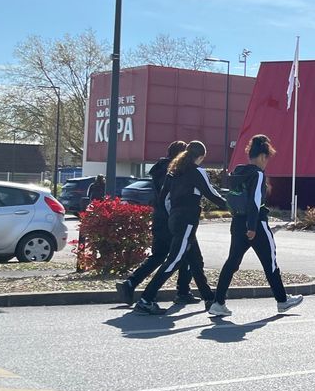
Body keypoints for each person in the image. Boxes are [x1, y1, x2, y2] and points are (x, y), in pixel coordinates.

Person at [209, 134, 302, 317]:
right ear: (262, 156)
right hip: (256, 224)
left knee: (232, 262)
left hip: (237, 222)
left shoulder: (238, 172)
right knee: (270, 262)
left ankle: (218, 303)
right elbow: (255, 201)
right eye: (267, 158)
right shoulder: (258, 174)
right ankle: (282, 301)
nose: (267, 163)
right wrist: (252, 227)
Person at [133, 141, 227, 316]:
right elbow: (211, 193)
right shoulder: (197, 171)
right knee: (175, 260)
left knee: (195, 260)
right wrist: (231, 206)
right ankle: (146, 299)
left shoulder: (174, 171)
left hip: (174, 219)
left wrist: (173, 214)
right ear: (201, 157)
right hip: (187, 221)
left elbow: (163, 197)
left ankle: (210, 299)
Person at [115, 141, 197, 306]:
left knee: (158, 255)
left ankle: (130, 283)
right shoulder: (174, 171)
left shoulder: (159, 169)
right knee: (184, 254)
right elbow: (170, 197)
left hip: (159, 218)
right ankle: (182, 291)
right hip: (172, 220)